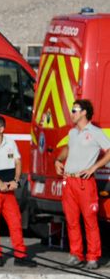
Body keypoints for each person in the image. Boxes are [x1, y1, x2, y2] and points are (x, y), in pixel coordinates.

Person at [55, 99, 110, 269]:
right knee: (71, 220)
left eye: (74, 110)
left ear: (84, 112)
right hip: (69, 181)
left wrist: (94, 167)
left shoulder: (95, 132)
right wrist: (58, 160)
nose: (72, 113)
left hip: (85, 183)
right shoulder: (73, 133)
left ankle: (93, 257)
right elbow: (68, 148)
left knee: (89, 220)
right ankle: (76, 254)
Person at [0, 114, 35, 268]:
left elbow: (18, 161)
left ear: (2, 129)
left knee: (15, 222)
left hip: (8, 191)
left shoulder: (11, 142)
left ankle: (20, 256)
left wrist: (16, 181)